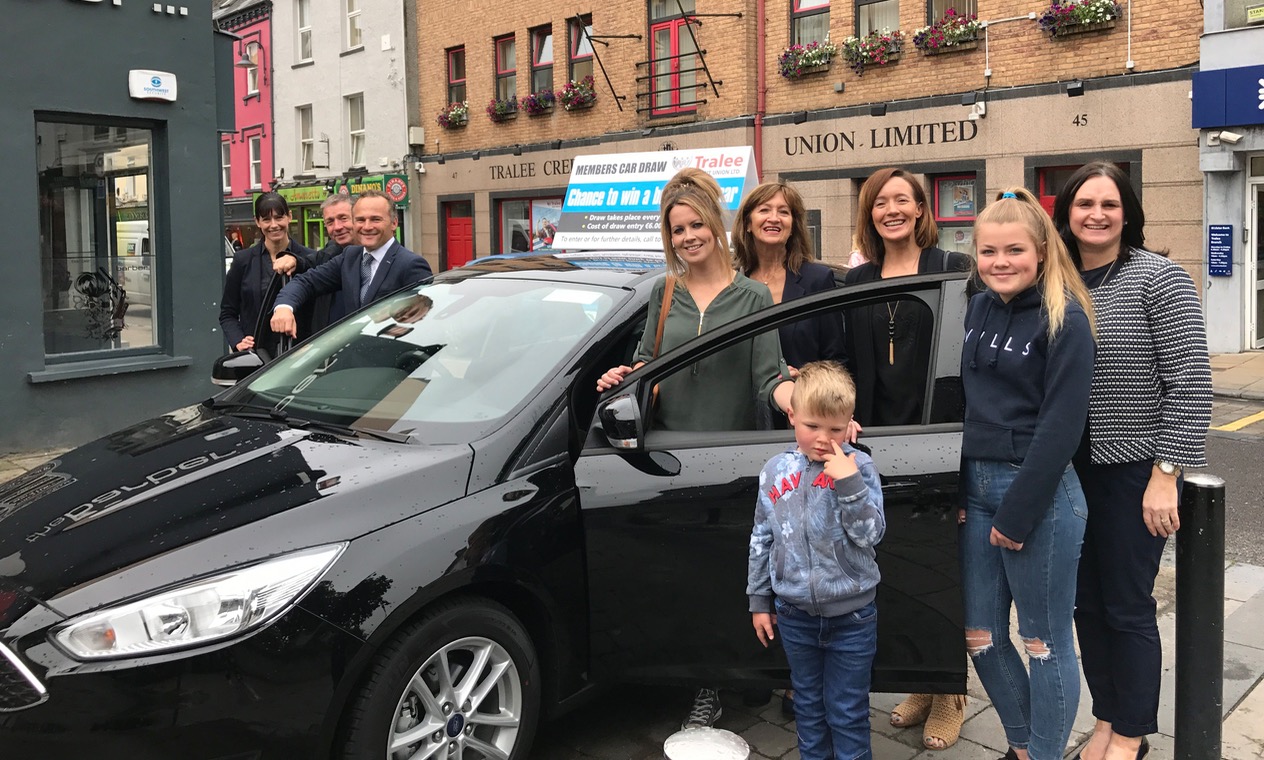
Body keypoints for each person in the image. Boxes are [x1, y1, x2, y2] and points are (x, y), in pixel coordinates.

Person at [595, 171, 794, 730]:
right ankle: (699, 681)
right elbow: (646, 362)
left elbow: (766, 376)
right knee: (680, 572)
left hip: (727, 457)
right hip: (665, 456)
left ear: (715, 223)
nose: (687, 237)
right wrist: (625, 375)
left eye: (696, 224)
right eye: (677, 229)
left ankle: (735, 674)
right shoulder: (664, 291)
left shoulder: (754, 294)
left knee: (731, 572)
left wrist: (800, 403)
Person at [1053, 162, 1212, 760]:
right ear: (1066, 213)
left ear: (1128, 213)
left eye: (1110, 204)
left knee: (1125, 605)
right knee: (1084, 604)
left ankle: (1132, 733)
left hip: (1131, 471)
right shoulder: (1057, 279)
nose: (1096, 214)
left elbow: (1190, 384)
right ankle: (1105, 716)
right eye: (1084, 203)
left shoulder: (1158, 278)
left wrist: (1164, 475)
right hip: (1068, 472)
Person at [961, 187, 1096, 760]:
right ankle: (1021, 747)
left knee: (1042, 641)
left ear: (1041, 249)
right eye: (989, 251)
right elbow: (968, 404)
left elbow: (1061, 430)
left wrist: (1018, 513)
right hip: (978, 490)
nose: (1000, 262)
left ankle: (1044, 754)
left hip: (1038, 496)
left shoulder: (1067, 318)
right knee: (981, 637)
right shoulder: (977, 305)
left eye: (1013, 250)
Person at [842, 167, 971, 750]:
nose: (891, 209)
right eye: (880, 203)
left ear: (921, 209)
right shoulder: (860, 276)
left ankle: (952, 695)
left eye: (902, 200)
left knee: (940, 566)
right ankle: (922, 680)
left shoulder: (952, 269)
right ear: (869, 213)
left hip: (935, 439)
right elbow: (846, 355)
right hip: (875, 441)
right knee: (892, 565)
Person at [747, 360, 885, 760]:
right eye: (812, 426)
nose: (824, 438)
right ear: (791, 414)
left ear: (849, 424)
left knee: (847, 713)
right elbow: (761, 538)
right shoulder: (775, 471)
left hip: (853, 619)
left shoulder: (860, 467)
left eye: (836, 429)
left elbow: (871, 534)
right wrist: (759, 601)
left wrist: (849, 482)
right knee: (807, 710)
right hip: (795, 616)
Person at [271, 190, 432, 339]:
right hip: (350, 361)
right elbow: (307, 282)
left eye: (375, 219)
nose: (367, 227)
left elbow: (424, 326)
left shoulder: (411, 265)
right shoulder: (350, 257)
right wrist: (284, 307)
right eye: (361, 220)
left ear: (394, 223)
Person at [733, 181, 846, 371]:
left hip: (799, 398)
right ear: (747, 224)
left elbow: (836, 361)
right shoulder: (732, 282)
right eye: (764, 210)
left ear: (792, 226)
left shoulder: (818, 280)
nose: (774, 218)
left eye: (783, 212)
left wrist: (803, 378)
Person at [220, 192, 317, 356]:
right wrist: (238, 341)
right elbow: (227, 312)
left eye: (279, 217)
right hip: (257, 358)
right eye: (266, 219)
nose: (274, 225)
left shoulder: (309, 259)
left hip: (301, 356)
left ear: (289, 217)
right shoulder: (242, 261)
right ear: (257, 222)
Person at [274, 194, 356, 329]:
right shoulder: (332, 252)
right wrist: (284, 306)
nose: (337, 227)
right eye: (330, 222)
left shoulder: (376, 258)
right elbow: (309, 268)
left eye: (343, 218)